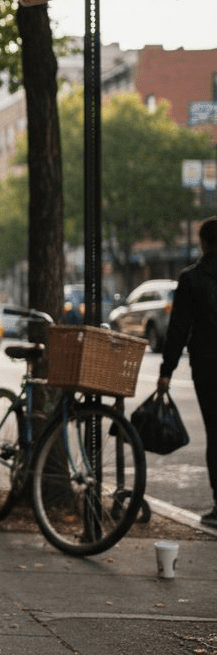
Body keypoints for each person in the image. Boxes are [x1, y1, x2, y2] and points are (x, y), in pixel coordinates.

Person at [157, 215, 217, 528]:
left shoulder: (192, 278)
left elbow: (178, 329)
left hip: (207, 363)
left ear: (204, 243)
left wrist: (166, 371)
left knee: (215, 433)